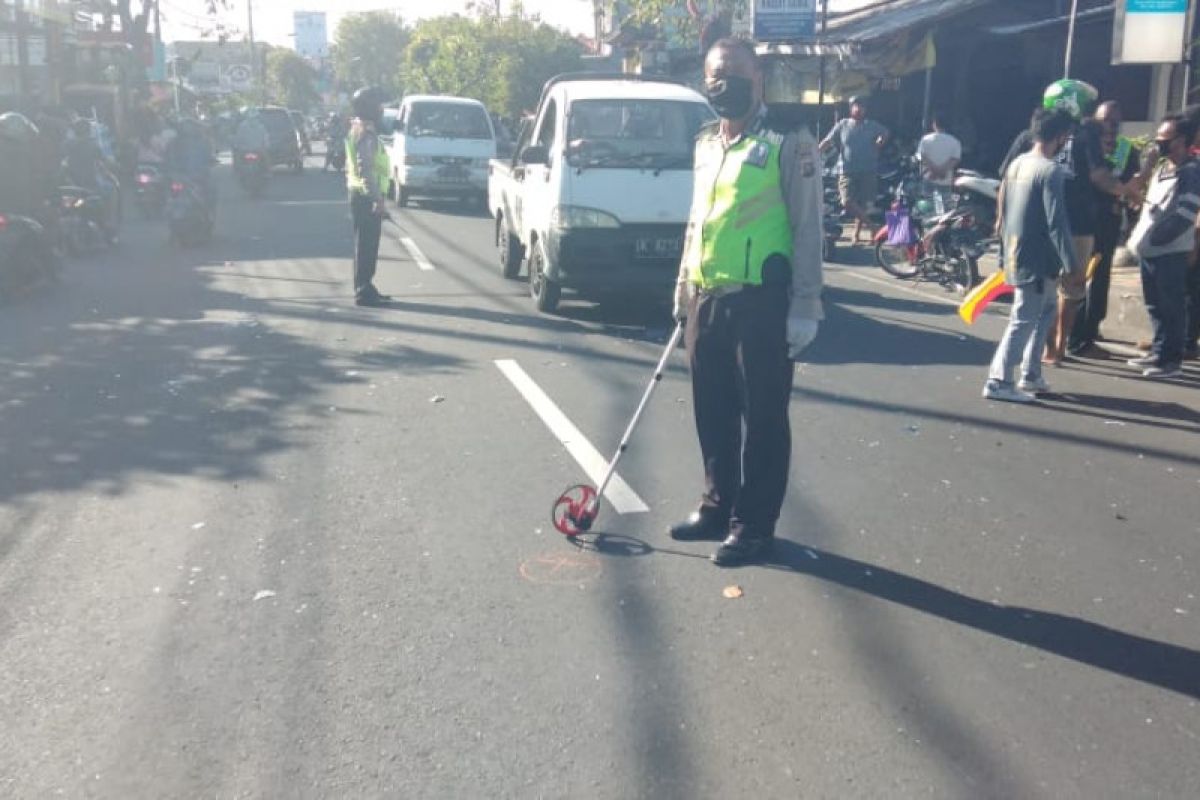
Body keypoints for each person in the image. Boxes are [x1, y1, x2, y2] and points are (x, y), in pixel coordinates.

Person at [668, 38, 823, 567]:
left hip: (762, 302)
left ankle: (755, 525)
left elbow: (808, 229)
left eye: (734, 72)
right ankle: (718, 505)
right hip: (707, 297)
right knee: (712, 411)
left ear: (757, 79)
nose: (722, 83)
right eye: (714, 74)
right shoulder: (708, 142)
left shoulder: (789, 140)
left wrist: (805, 305)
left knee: (763, 419)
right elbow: (699, 219)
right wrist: (683, 284)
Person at [999, 81, 1135, 365]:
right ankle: (1056, 348)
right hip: (1078, 225)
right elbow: (1099, 176)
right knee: (1070, 289)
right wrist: (1127, 189)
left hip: (1037, 226)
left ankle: (1044, 353)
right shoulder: (1084, 134)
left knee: (1043, 291)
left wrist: (1002, 219)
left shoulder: (1029, 137)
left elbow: (1005, 181)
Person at [983, 109, 1078, 403]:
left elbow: (1005, 211)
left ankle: (1031, 373)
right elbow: (1057, 223)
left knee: (1045, 310)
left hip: (1018, 252)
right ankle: (998, 380)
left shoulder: (1017, 165)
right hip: (1037, 258)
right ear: (1060, 137)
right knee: (1024, 318)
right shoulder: (1050, 171)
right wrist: (1073, 264)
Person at [1125, 114, 1200, 379]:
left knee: (1172, 306)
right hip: (1149, 250)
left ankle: (1171, 360)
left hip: (1169, 251)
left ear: (1182, 140)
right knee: (1155, 305)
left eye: (1164, 139)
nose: (1159, 143)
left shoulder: (1191, 171)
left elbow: (1187, 212)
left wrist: (1160, 237)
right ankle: (1159, 351)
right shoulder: (1163, 167)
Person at [1068, 101, 1142, 357]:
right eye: (1105, 121)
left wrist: (1130, 201)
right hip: (1084, 220)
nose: (1111, 127)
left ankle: (1090, 328)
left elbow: (1133, 181)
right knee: (1078, 278)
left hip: (1109, 219)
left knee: (1100, 278)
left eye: (1115, 122)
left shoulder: (1126, 150)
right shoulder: (1084, 144)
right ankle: (1075, 335)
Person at [819, 96, 888, 245]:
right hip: (846, 169)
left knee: (863, 205)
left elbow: (885, 132)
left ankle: (856, 235)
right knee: (847, 201)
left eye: (862, 107)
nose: (859, 109)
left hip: (867, 169)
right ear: (851, 108)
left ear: (865, 110)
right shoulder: (842, 124)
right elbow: (828, 141)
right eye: (856, 106)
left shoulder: (872, 125)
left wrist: (880, 140)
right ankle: (873, 227)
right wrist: (815, 152)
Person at [346, 87, 392, 307]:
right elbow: (366, 168)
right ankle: (364, 290)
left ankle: (365, 286)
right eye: (378, 105)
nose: (382, 109)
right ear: (371, 108)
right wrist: (377, 198)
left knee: (364, 244)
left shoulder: (357, 129)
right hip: (366, 196)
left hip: (360, 194)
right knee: (367, 244)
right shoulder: (367, 133)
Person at [916, 112, 961, 212]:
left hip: (928, 177)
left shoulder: (925, 139)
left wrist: (934, 170)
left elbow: (922, 156)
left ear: (934, 124)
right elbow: (955, 159)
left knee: (927, 206)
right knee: (946, 207)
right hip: (945, 178)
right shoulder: (955, 141)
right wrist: (941, 171)